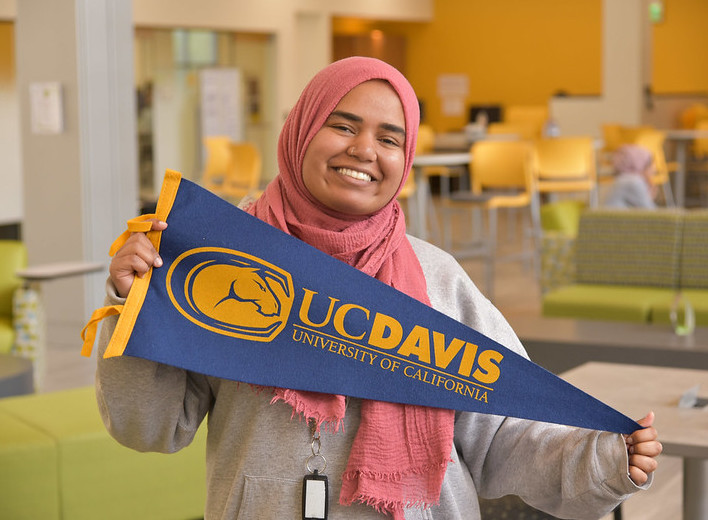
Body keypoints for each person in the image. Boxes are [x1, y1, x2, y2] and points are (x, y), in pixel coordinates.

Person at [97, 57, 661, 519]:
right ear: (299, 130)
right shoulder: (220, 262)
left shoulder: (438, 280)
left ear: (405, 159)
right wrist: (135, 308)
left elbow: (504, 438)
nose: (364, 150)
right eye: (342, 125)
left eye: (389, 138)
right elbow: (148, 427)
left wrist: (605, 459)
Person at [604, 144, 658, 209]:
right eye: (650, 163)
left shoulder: (624, 179)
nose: (654, 169)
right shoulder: (633, 181)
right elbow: (650, 211)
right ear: (640, 164)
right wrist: (648, 198)